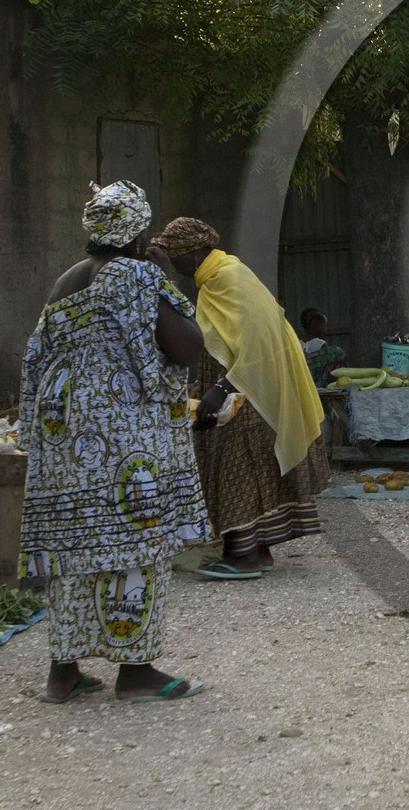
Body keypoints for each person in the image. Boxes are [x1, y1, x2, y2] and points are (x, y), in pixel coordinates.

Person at [19, 181, 209, 703]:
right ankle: (136, 672)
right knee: (134, 541)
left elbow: (39, 352)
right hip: (121, 428)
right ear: (138, 231)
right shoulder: (135, 275)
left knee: (73, 541)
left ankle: (63, 673)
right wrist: (163, 280)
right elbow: (187, 349)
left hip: (64, 424)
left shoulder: (66, 280)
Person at [151, 218, 328, 580]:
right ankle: (256, 551)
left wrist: (221, 389)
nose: (176, 265)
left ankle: (244, 557)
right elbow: (227, 337)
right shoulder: (216, 279)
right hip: (236, 388)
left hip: (247, 392)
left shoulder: (227, 278)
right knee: (241, 468)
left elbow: (258, 342)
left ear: (193, 252)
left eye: (175, 256)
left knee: (237, 470)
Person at [299, 309, 347, 387]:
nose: (325, 329)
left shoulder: (298, 343)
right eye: (324, 326)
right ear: (317, 326)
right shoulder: (321, 344)